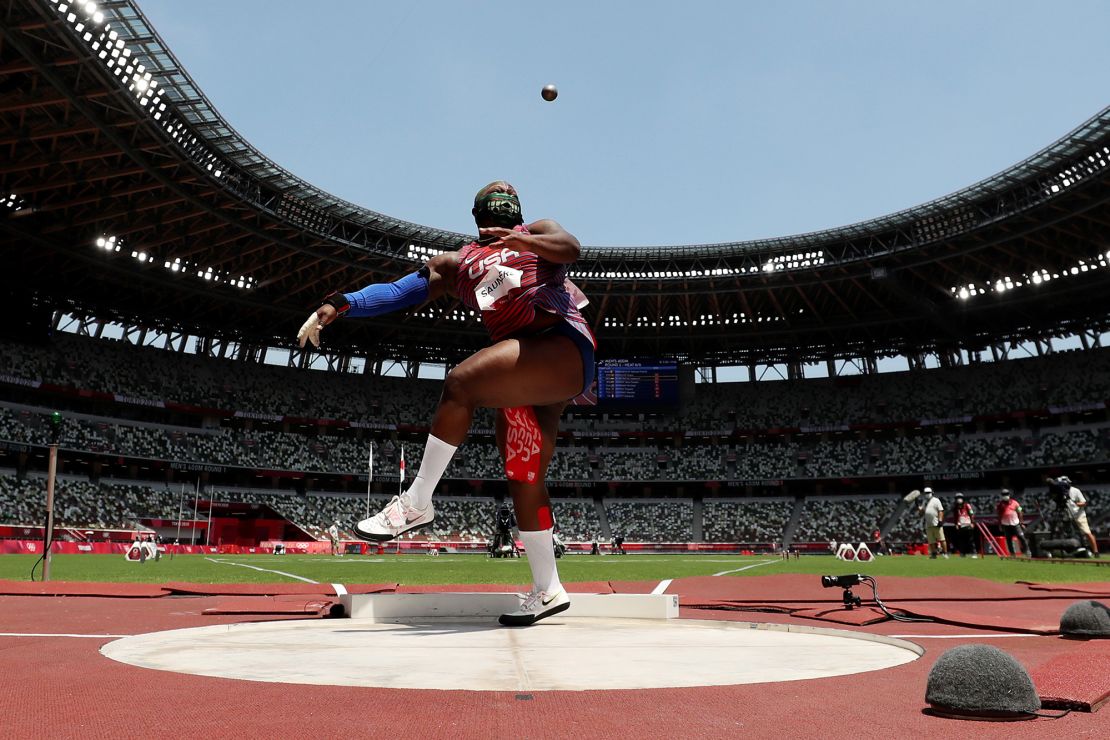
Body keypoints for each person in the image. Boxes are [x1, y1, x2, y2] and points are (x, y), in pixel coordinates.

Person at [297, 182, 595, 626]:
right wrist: (338, 305)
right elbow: (399, 292)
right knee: (524, 475)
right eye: (493, 197)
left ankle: (417, 501)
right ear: (476, 213)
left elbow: (570, 248)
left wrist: (523, 240)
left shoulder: (538, 231)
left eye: (508, 197)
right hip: (524, 370)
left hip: (560, 346)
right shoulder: (457, 263)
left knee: (460, 382)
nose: (502, 194)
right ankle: (548, 588)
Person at [1059, 476, 1099, 557]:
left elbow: (1084, 502)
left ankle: (1096, 551)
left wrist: (1075, 503)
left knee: (1087, 533)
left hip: (1079, 515)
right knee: (1067, 534)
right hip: (1067, 515)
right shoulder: (1060, 492)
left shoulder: (1075, 491)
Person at [995, 489, 1029, 557]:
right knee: (1009, 540)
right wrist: (1000, 525)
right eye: (1003, 495)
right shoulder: (999, 505)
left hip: (1016, 523)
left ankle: (1027, 551)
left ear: (1009, 495)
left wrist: (1021, 523)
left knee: (1021, 537)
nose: (1005, 496)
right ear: (1001, 496)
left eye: (1006, 494)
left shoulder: (1015, 502)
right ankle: (1012, 554)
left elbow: (1020, 512)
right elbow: (999, 515)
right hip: (1005, 524)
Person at [917, 487, 948, 559]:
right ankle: (934, 554)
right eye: (926, 493)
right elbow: (921, 514)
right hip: (928, 524)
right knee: (931, 541)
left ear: (932, 493)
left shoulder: (936, 500)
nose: (927, 494)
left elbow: (941, 510)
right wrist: (919, 508)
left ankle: (945, 553)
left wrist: (940, 520)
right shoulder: (924, 501)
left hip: (936, 523)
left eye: (928, 493)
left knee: (942, 539)